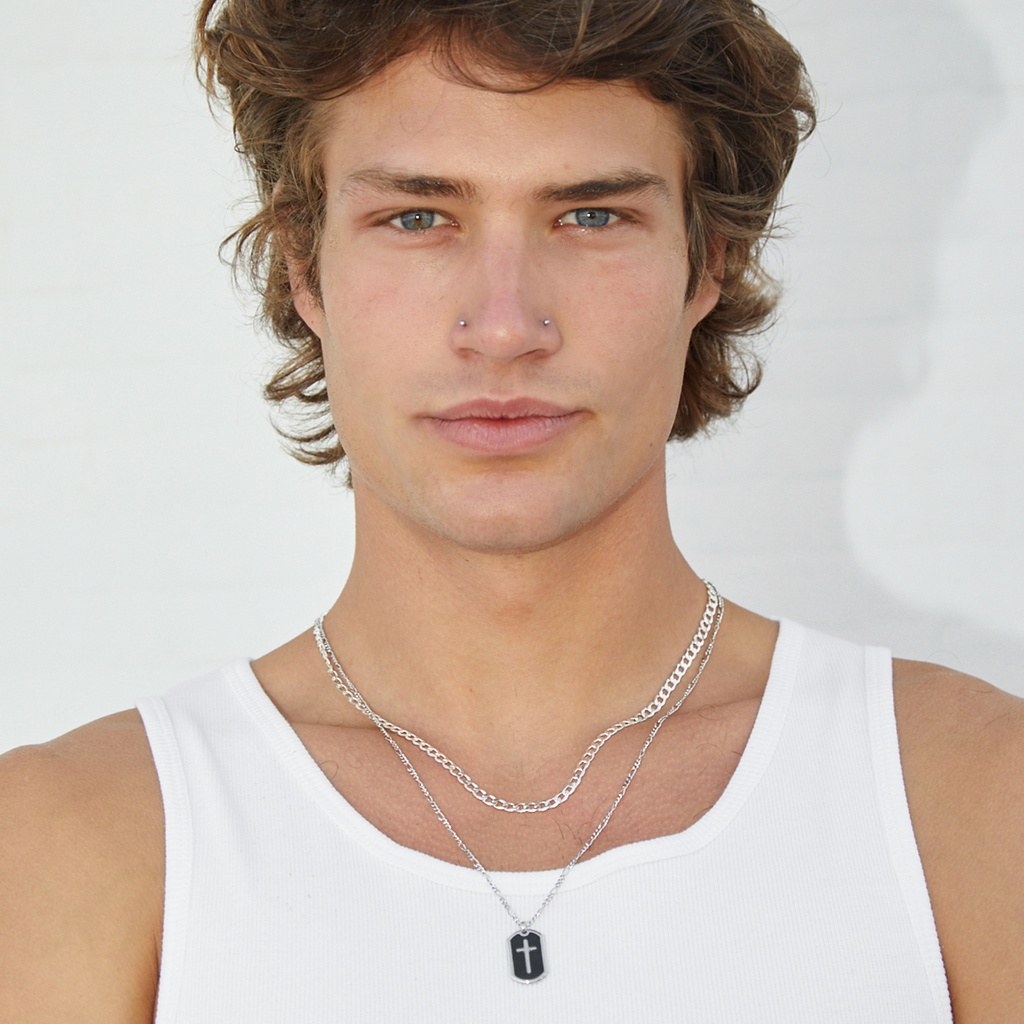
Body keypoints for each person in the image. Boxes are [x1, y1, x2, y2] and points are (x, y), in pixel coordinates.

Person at [1, 0, 1020, 1020]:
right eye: (417, 217)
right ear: (304, 265)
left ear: (708, 260)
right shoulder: (81, 837)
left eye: (591, 215)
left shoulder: (973, 797)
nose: (503, 326)